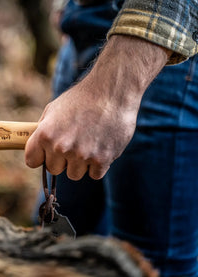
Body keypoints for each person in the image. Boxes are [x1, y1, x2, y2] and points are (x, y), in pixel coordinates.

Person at [25, 0, 198, 276]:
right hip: (84, 26)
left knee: (151, 265)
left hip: (157, 46)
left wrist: (113, 93)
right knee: (53, 250)